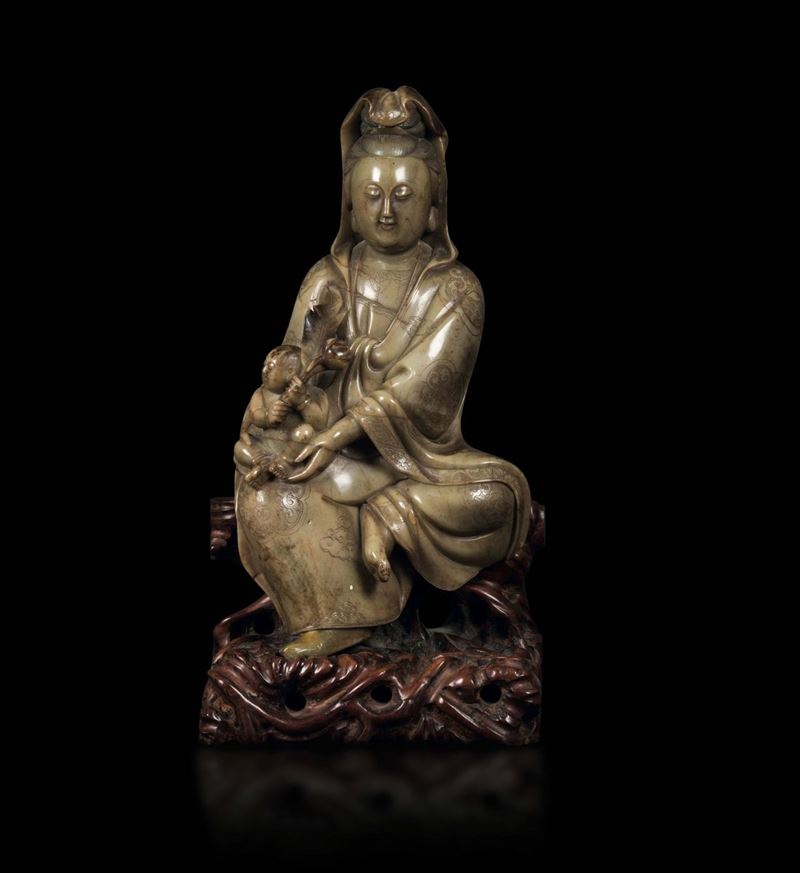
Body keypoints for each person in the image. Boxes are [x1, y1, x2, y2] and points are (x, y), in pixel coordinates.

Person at [234, 87, 532, 659]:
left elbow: (422, 391)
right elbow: (290, 369)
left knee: (498, 496)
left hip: (419, 461)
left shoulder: (455, 288)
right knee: (266, 490)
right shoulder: (328, 278)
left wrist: (339, 435)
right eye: (371, 195)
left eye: (403, 195)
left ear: (434, 206)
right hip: (327, 453)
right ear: (349, 203)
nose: (387, 211)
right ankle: (334, 620)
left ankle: (387, 518)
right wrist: (288, 411)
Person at [233, 345, 328, 487]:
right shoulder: (260, 393)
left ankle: (284, 464)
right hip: (267, 445)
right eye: (264, 365)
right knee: (239, 447)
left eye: (271, 366)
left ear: (290, 372)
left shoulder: (312, 393)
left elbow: (320, 424)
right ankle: (262, 463)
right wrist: (268, 416)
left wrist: (302, 402)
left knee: (306, 432)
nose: (264, 370)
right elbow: (255, 415)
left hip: (294, 447)